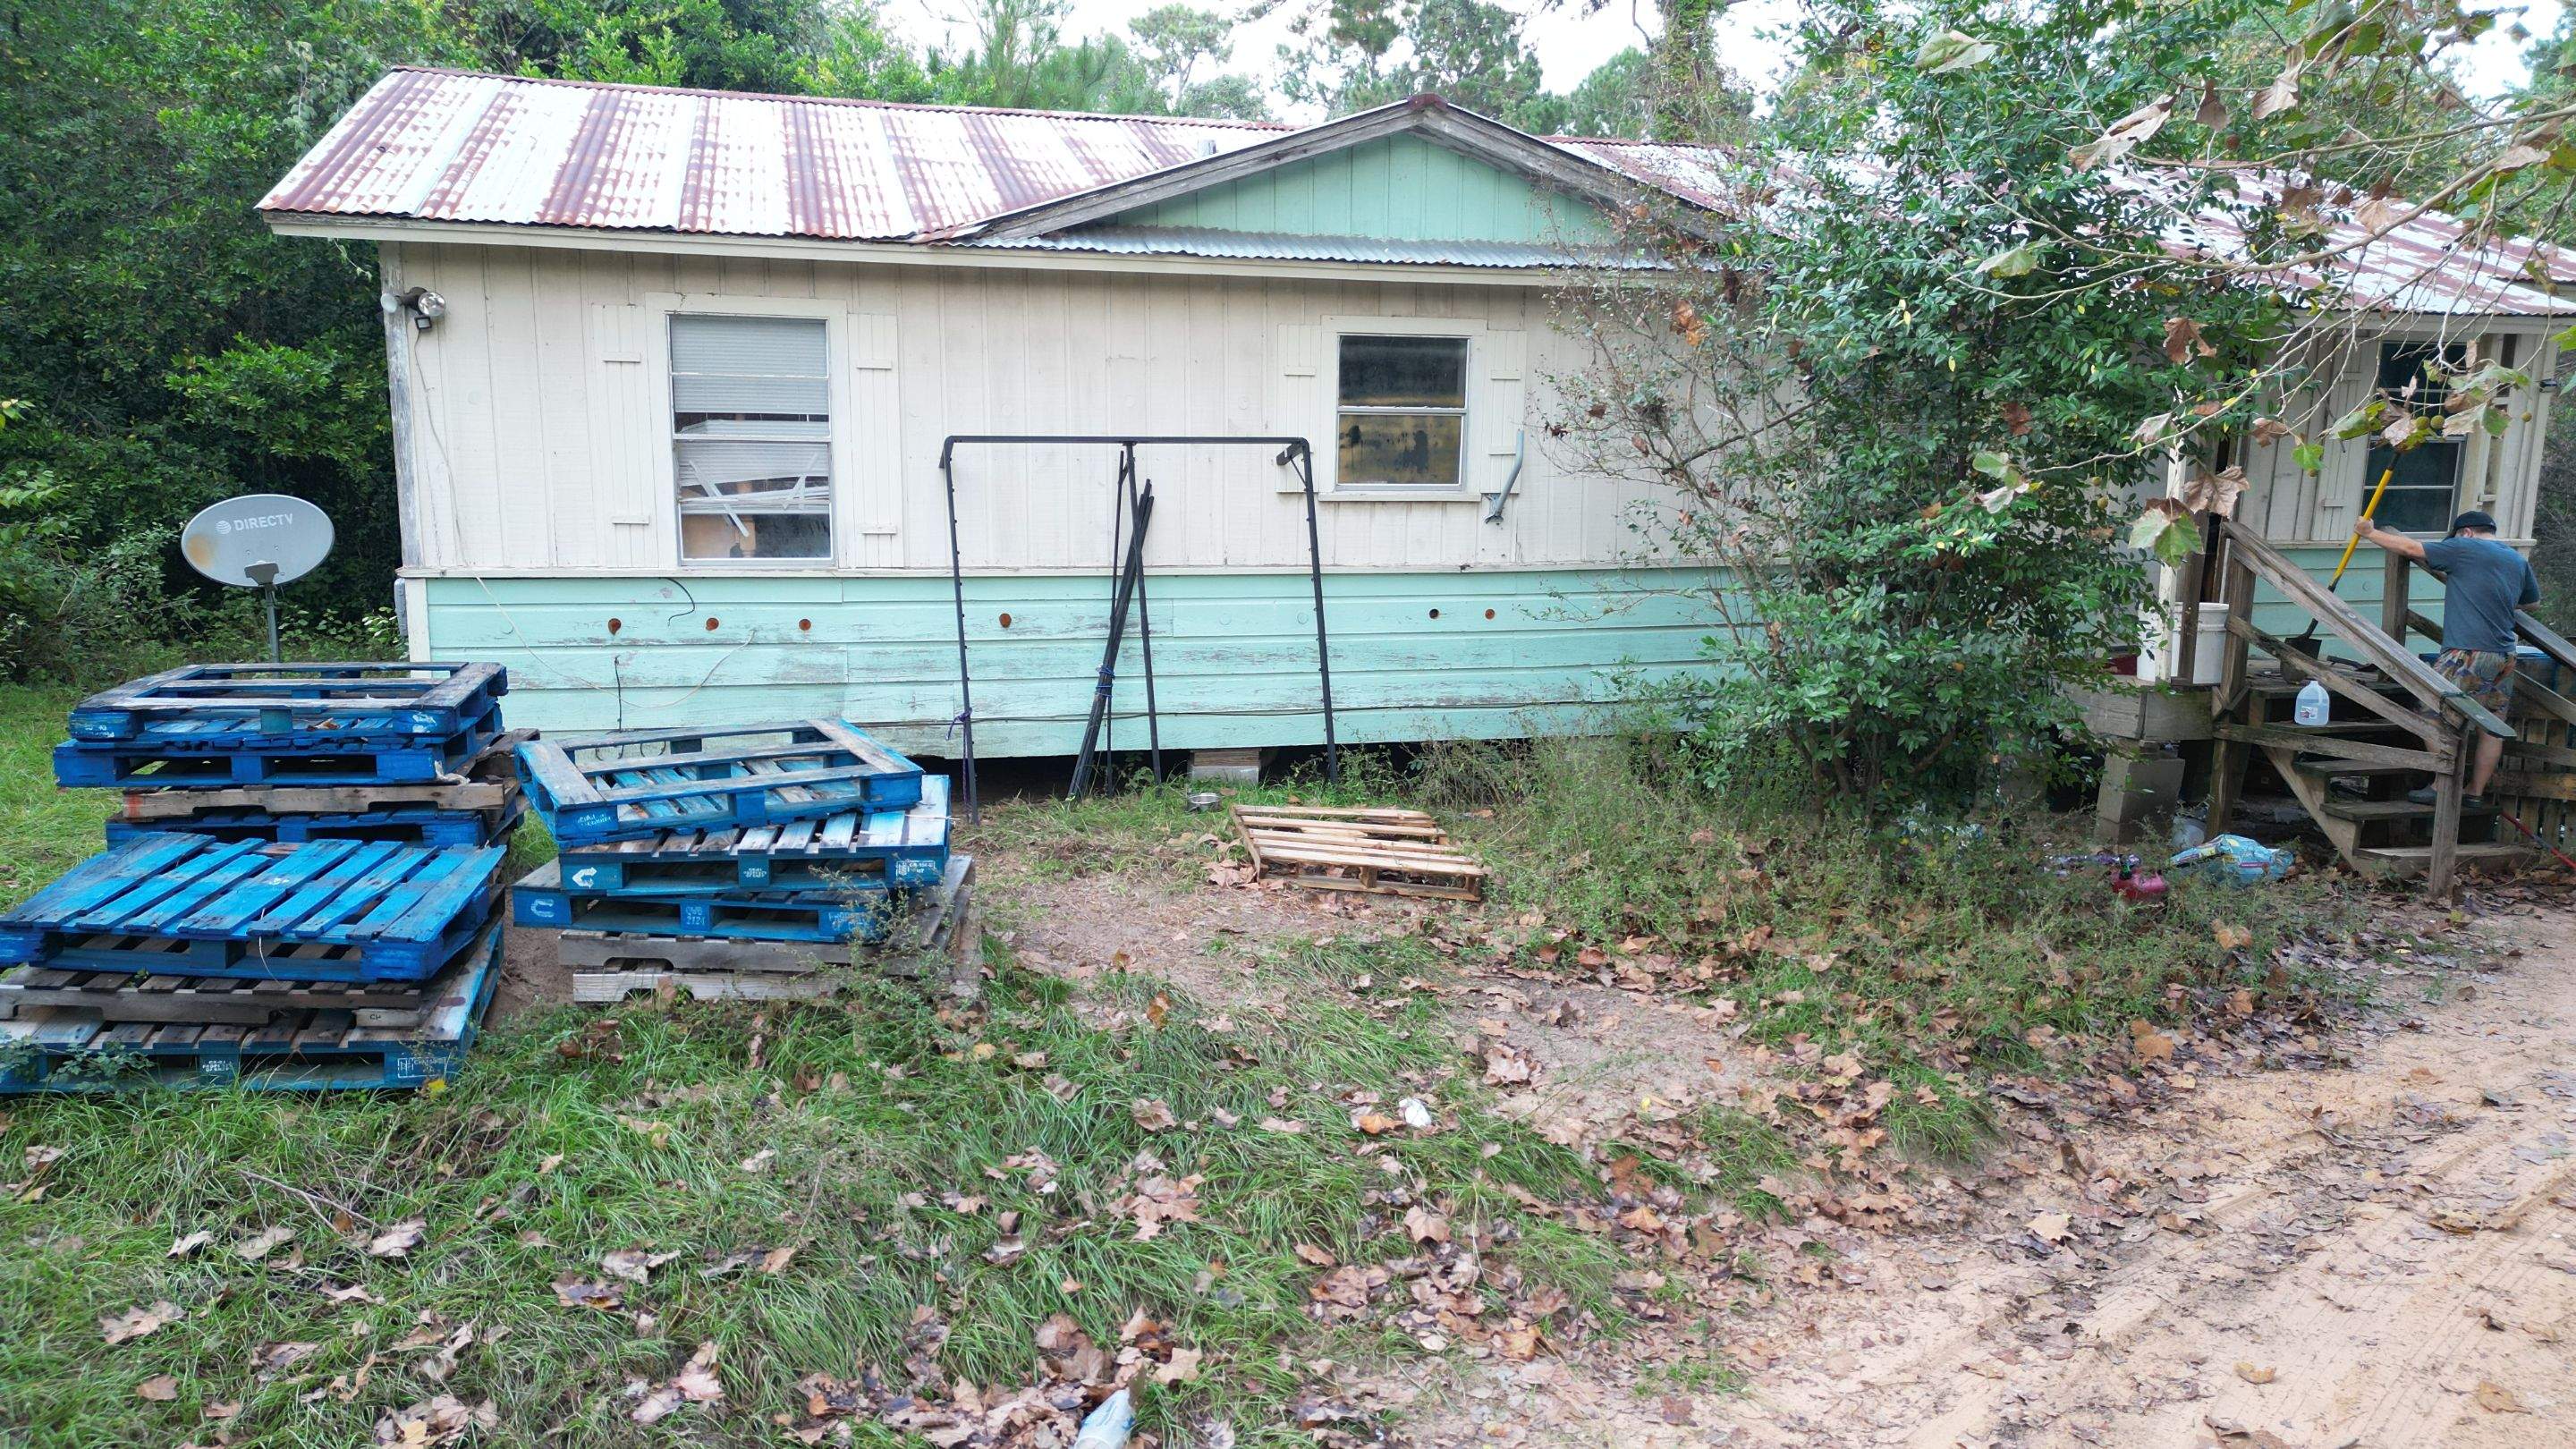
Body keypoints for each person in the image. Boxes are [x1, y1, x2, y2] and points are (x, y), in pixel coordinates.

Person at [2351, 508, 2539, 808]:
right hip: (2505, 654)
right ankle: (2474, 793)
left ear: (2465, 532)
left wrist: (2370, 533)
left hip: (2467, 652)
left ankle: (2442, 786)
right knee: (2491, 726)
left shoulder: (2464, 547)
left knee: (2429, 711)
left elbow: (2412, 548)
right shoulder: (2515, 559)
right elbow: (2532, 602)